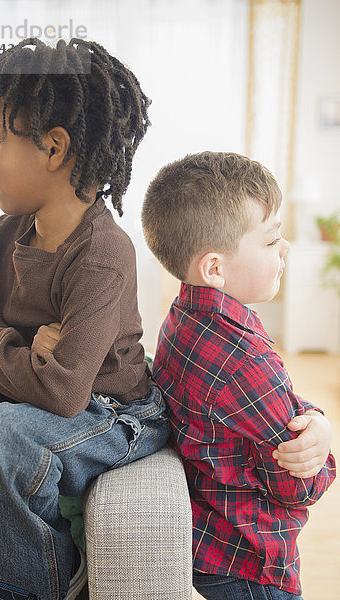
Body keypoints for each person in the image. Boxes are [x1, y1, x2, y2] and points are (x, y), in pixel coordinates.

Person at [0, 38, 171, 600]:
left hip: (112, 411)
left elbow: (66, 391)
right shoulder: (3, 236)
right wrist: (20, 352)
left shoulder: (101, 251)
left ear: (55, 147)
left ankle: (37, 580)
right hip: (33, 396)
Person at [141, 151, 336, 600]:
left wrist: (311, 414)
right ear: (215, 267)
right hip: (250, 562)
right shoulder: (242, 360)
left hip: (209, 539)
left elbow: (265, 412)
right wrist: (321, 439)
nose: (285, 247)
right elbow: (300, 484)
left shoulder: (185, 313)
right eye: (271, 240)